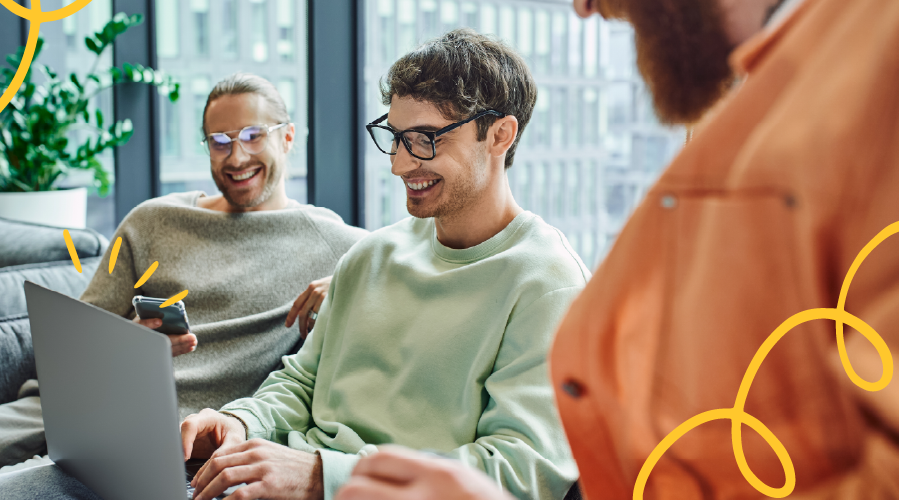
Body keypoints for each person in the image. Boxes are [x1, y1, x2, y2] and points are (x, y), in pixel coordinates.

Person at [338, 0, 899, 497]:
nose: (584, 8)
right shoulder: (780, 90)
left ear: (500, 136)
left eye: (425, 139)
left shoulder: (874, 78)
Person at [0, 73, 367, 500]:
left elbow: (415, 259)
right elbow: (70, 342)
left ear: (287, 137)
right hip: (73, 404)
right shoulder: (152, 220)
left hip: (173, 436)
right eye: (219, 141)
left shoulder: (343, 248)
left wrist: (345, 286)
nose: (236, 156)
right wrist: (129, 346)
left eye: (252, 136)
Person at [177, 29, 588, 500]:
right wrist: (240, 421)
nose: (399, 164)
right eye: (395, 138)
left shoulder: (547, 284)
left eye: (426, 139)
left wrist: (319, 477)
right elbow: (302, 381)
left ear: (500, 134)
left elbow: (517, 474)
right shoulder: (372, 254)